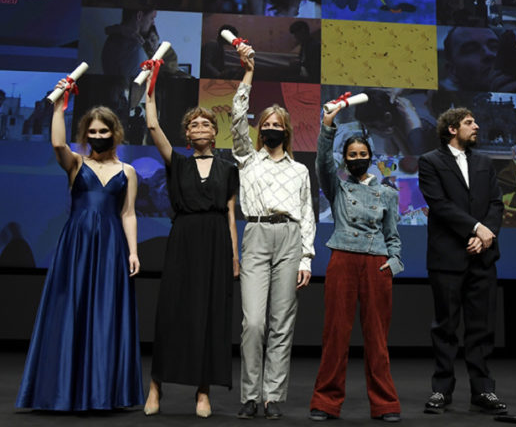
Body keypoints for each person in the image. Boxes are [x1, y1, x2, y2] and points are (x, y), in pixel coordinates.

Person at [15, 85, 142, 411]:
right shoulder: (75, 164)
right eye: (92, 131)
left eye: (104, 130)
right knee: (71, 310)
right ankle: (62, 391)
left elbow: (128, 213)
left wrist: (133, 251)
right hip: (77, 245)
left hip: (112, 244)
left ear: (115, 133)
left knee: (104, 314)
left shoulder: (128, 172)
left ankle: (101, 392)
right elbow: (58, 142)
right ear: (85, 135)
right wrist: (59, 104)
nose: (98, 135)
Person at [141, 78, 239, 418]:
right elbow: (152, 124)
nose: (199, 127)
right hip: (183, 238)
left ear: (214, 133)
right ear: (187, 135)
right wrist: (150, 89)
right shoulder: (177, 163)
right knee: (172, 313)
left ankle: (203, 391)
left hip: (215, 242)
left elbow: (229, 213)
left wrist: (234, 254)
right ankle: (156, 386)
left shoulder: (228, 169)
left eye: (206, 123)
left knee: (208, 315)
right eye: (193, 124)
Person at [232, 43, 315, 419]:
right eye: (265, 125)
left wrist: (308, 257)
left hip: (290, 240)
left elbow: (308, 214)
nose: (270, 129)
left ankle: (272, 397)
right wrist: (248, 73)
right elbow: (235, 118)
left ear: (287, 130)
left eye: (277, 125)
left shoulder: (300, 171)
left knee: (282, 323)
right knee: (253, 322)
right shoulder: (247, 159)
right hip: (257, 235)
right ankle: (249, 394)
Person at [308, 103, 403, 422]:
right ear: (345, 159)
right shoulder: (337, 187)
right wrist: (327, 126)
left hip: (377, 265)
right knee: (335, 333)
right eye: (353, 155)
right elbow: (322, 161)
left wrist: (394, 264)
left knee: (377, 337)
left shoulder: (387, 194)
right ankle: (325, 402)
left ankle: (386, 404)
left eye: (363, 154)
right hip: (343, 259)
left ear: (371, 156)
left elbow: (393, 236)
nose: (358, 158)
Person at [417, 108, 508, 416]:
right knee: (445, 326)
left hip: (482, 256)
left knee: (481, 327)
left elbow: (496, 203)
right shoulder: (430, 161)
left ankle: (483, 390)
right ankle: (441, 389)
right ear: (452, 129)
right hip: (447, 257)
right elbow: (439, 205)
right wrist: (475, 228)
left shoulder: (484, 161)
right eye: (470, 122)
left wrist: (486, 234)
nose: (477, 125)